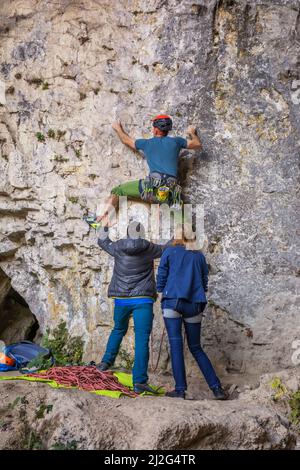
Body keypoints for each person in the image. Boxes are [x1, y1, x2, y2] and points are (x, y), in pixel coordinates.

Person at [84, 115, 202, 228]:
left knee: (118, 191)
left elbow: (127, 141)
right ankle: (190, 241)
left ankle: (102, 221)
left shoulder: (147, 143)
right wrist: (192, 132)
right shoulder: (177, 142)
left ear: (155, 130)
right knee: (184, 222)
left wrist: (118, 128)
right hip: (170, 192)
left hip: (151, 188)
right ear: (168, 130)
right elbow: (197, 144)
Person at [96, 222, 169, 394]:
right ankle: (139, 382)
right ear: (141, 233)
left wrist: (104, 225)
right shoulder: (149, 248)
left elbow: (102, 241)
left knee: (118, 329)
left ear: (128, 233)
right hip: (142, 299)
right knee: (141, 339)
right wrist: (181, 231)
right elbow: (167, 248)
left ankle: (105, 363)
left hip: (121, 299)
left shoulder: (118, 247)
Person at [156, 236, 227, 400]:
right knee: (196, 347)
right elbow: (204, 281)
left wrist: (161, 292)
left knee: (176, 345)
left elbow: (162, 275)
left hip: (172, 301)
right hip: (194, 303)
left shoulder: (169, 251)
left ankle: (180, 390)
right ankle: (217, 389)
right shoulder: (199, 256)